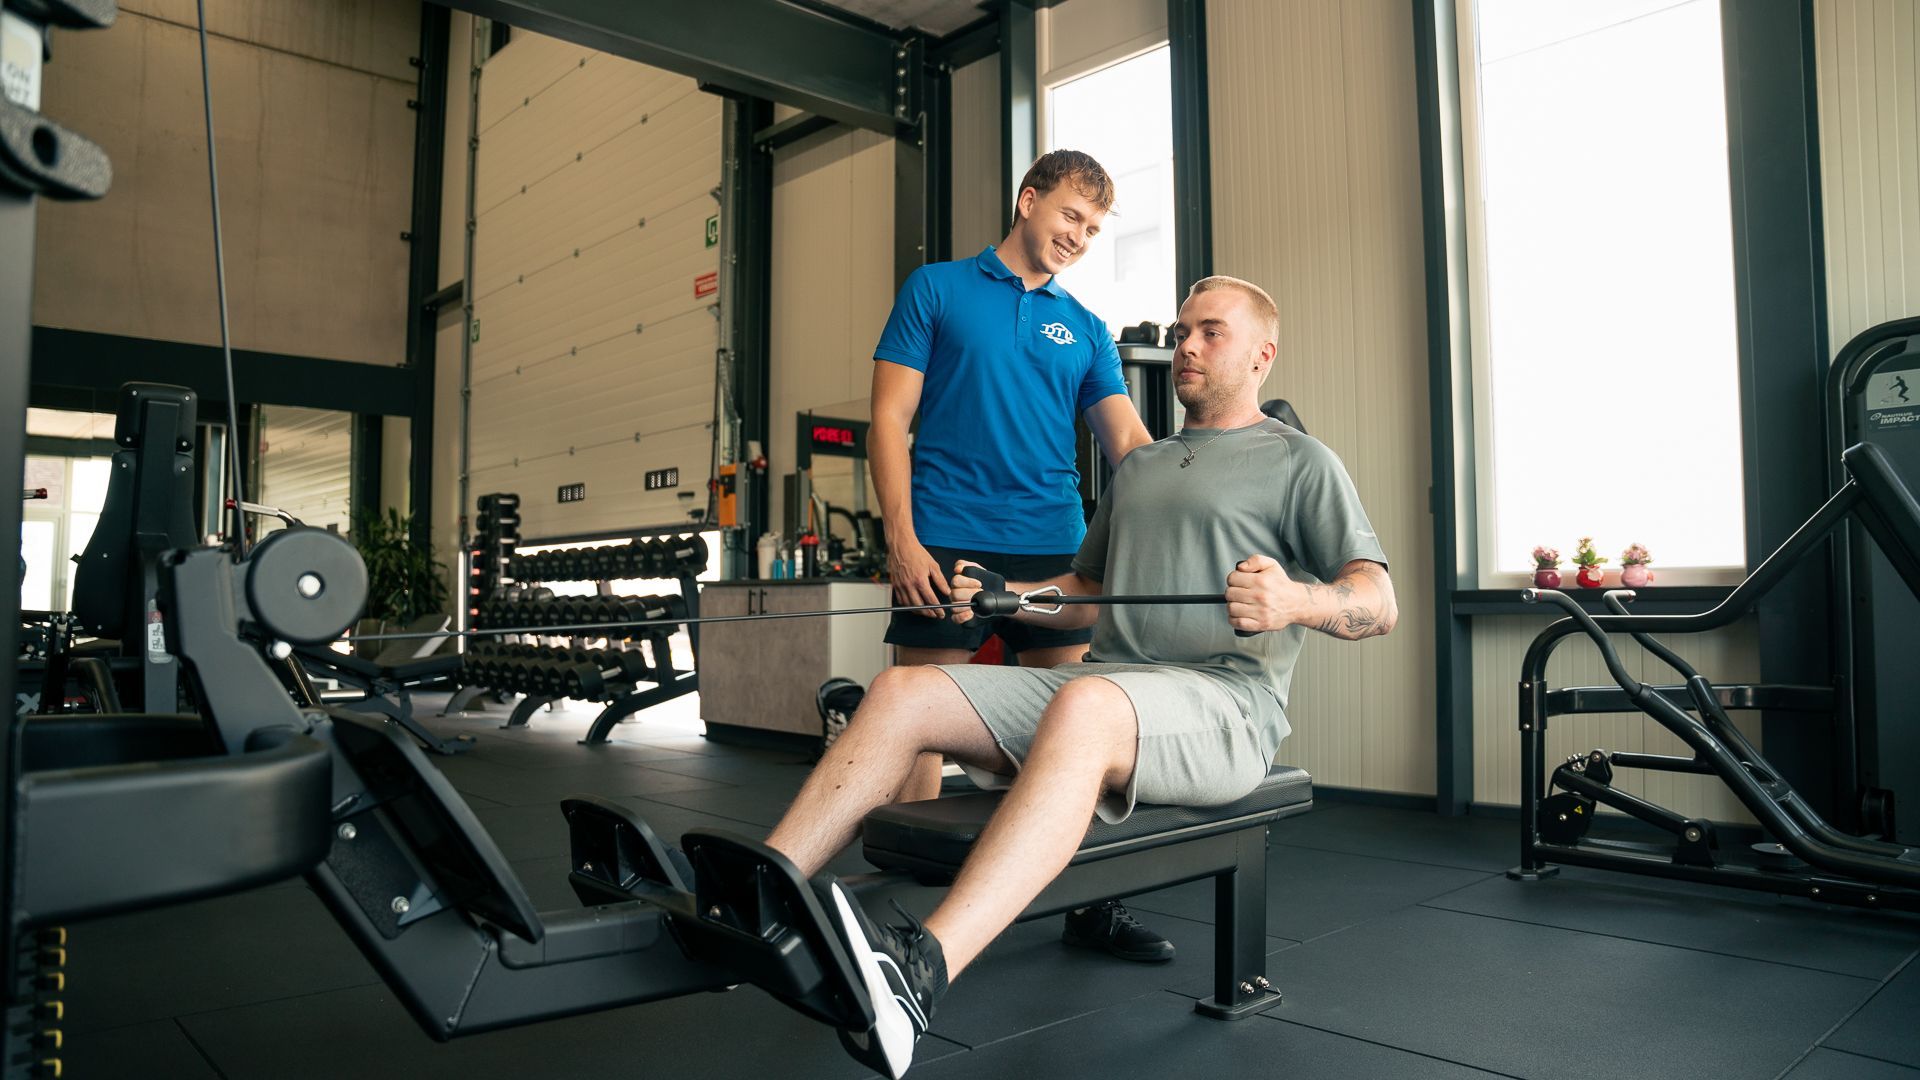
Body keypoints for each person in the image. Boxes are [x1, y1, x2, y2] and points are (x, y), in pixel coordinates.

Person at [765, 275, 1399, 1078]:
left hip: (1225, 708)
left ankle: (922, 970)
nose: (1187, 348)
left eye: (1211, 333)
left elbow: (1379, 602)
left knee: (1087, 702)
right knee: (902, 692)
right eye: (1181, 332)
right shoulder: (1142, 469)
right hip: (1111, 686)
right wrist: (1005, 597)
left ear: (1263, 355)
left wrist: (1297, 599)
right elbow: (1089, 594)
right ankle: (768, 883)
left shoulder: (1300, 462)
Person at [867, 149, 1166, 961]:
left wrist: (1206, 477)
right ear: (1028, 200)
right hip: (946, 538)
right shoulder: (937, 289)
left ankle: (1086, 905)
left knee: (1071, 730)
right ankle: (902, 915)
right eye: (1071, 215)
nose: (1080, 236)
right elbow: (889, 420)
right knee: (914, 731)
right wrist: (902, 539)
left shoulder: (1088, 327)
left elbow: (1130, 445)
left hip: (1054, 547)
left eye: (1095, 228)